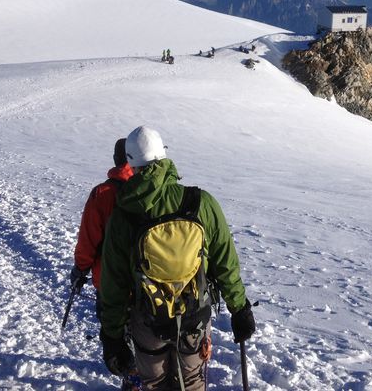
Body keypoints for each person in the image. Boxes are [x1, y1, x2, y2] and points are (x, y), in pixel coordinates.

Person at [99, 126, 255, 391]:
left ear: (130, 163)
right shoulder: (200, 203)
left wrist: (112, 336)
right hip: (195, 316)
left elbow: (113, 283)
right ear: (164, 155)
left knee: (154, 382)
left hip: (147, 319)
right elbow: (225, 262)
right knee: (193, 380)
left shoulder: (123, 215)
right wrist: (239, 308)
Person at [71, 139, 135, 311]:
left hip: (109, 279)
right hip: (147, 280)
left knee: (112, 332)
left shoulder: (102, 193)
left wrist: (80, 269)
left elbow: (89, 239)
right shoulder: (151, 190)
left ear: (115, 158)